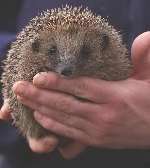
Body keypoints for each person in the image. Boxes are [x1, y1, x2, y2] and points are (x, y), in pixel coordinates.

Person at [0, 0, 150, 167]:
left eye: (84, 52)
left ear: (103, 46)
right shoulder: (26, 58)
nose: (66, 67)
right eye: (52, 51)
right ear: (35, 48)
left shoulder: (112, 59)